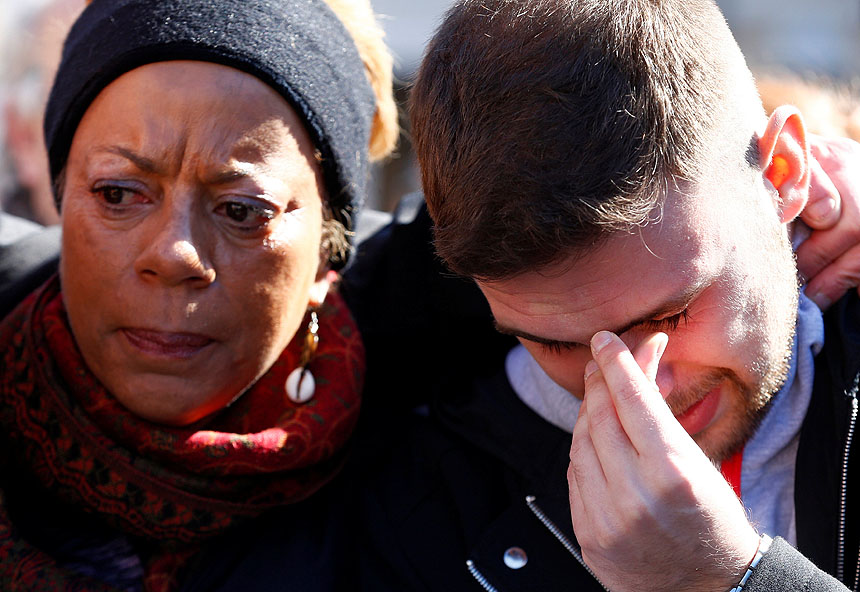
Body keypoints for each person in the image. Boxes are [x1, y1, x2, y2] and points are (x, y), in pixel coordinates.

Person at [349, 0, 860, 590]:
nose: (645, 391)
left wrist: (728, 580)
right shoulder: (415, 501)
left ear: (785, 172)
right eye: (559, 345)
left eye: (675, 313)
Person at [0, 0, 397, 589]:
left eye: (242, 210)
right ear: (62, 201)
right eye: (117, 194)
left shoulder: (434, 477)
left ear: (326, 253)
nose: (173, 254)